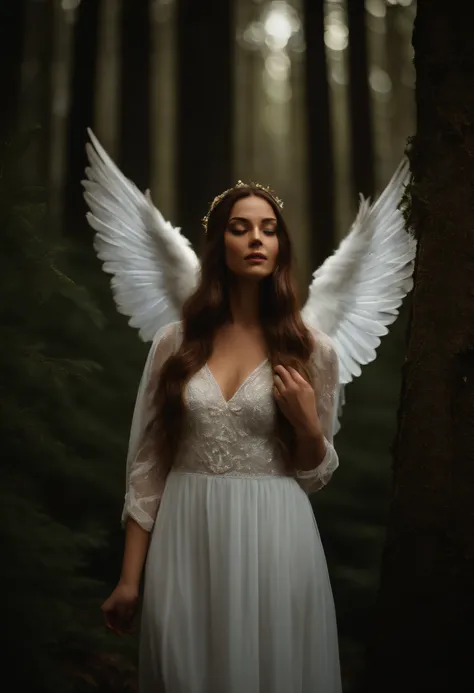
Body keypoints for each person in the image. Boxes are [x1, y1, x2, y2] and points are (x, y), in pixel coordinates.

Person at [100, 183, 343, 693]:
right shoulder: (177, 342)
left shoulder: (311, 348)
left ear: (281, 248)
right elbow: (149, 465)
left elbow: (314, 473)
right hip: (186, 533)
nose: (257, 239)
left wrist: (307, 423)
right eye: (241, 228)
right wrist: (128, 580)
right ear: (219, 245)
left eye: (269, 229)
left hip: (277, 536)